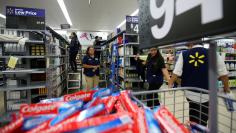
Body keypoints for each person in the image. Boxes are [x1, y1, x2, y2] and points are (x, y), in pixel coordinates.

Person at [169, 43, 230, 126]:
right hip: (207, 92)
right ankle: (201, 127)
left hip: (190, 92)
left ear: (191, 43)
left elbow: (176, 73)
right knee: (204, 114)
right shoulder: (213, 53)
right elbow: (223, 74)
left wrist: (172, 83)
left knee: (193, 111)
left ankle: (194, 126)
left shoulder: (184, 54)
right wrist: (227, 90)